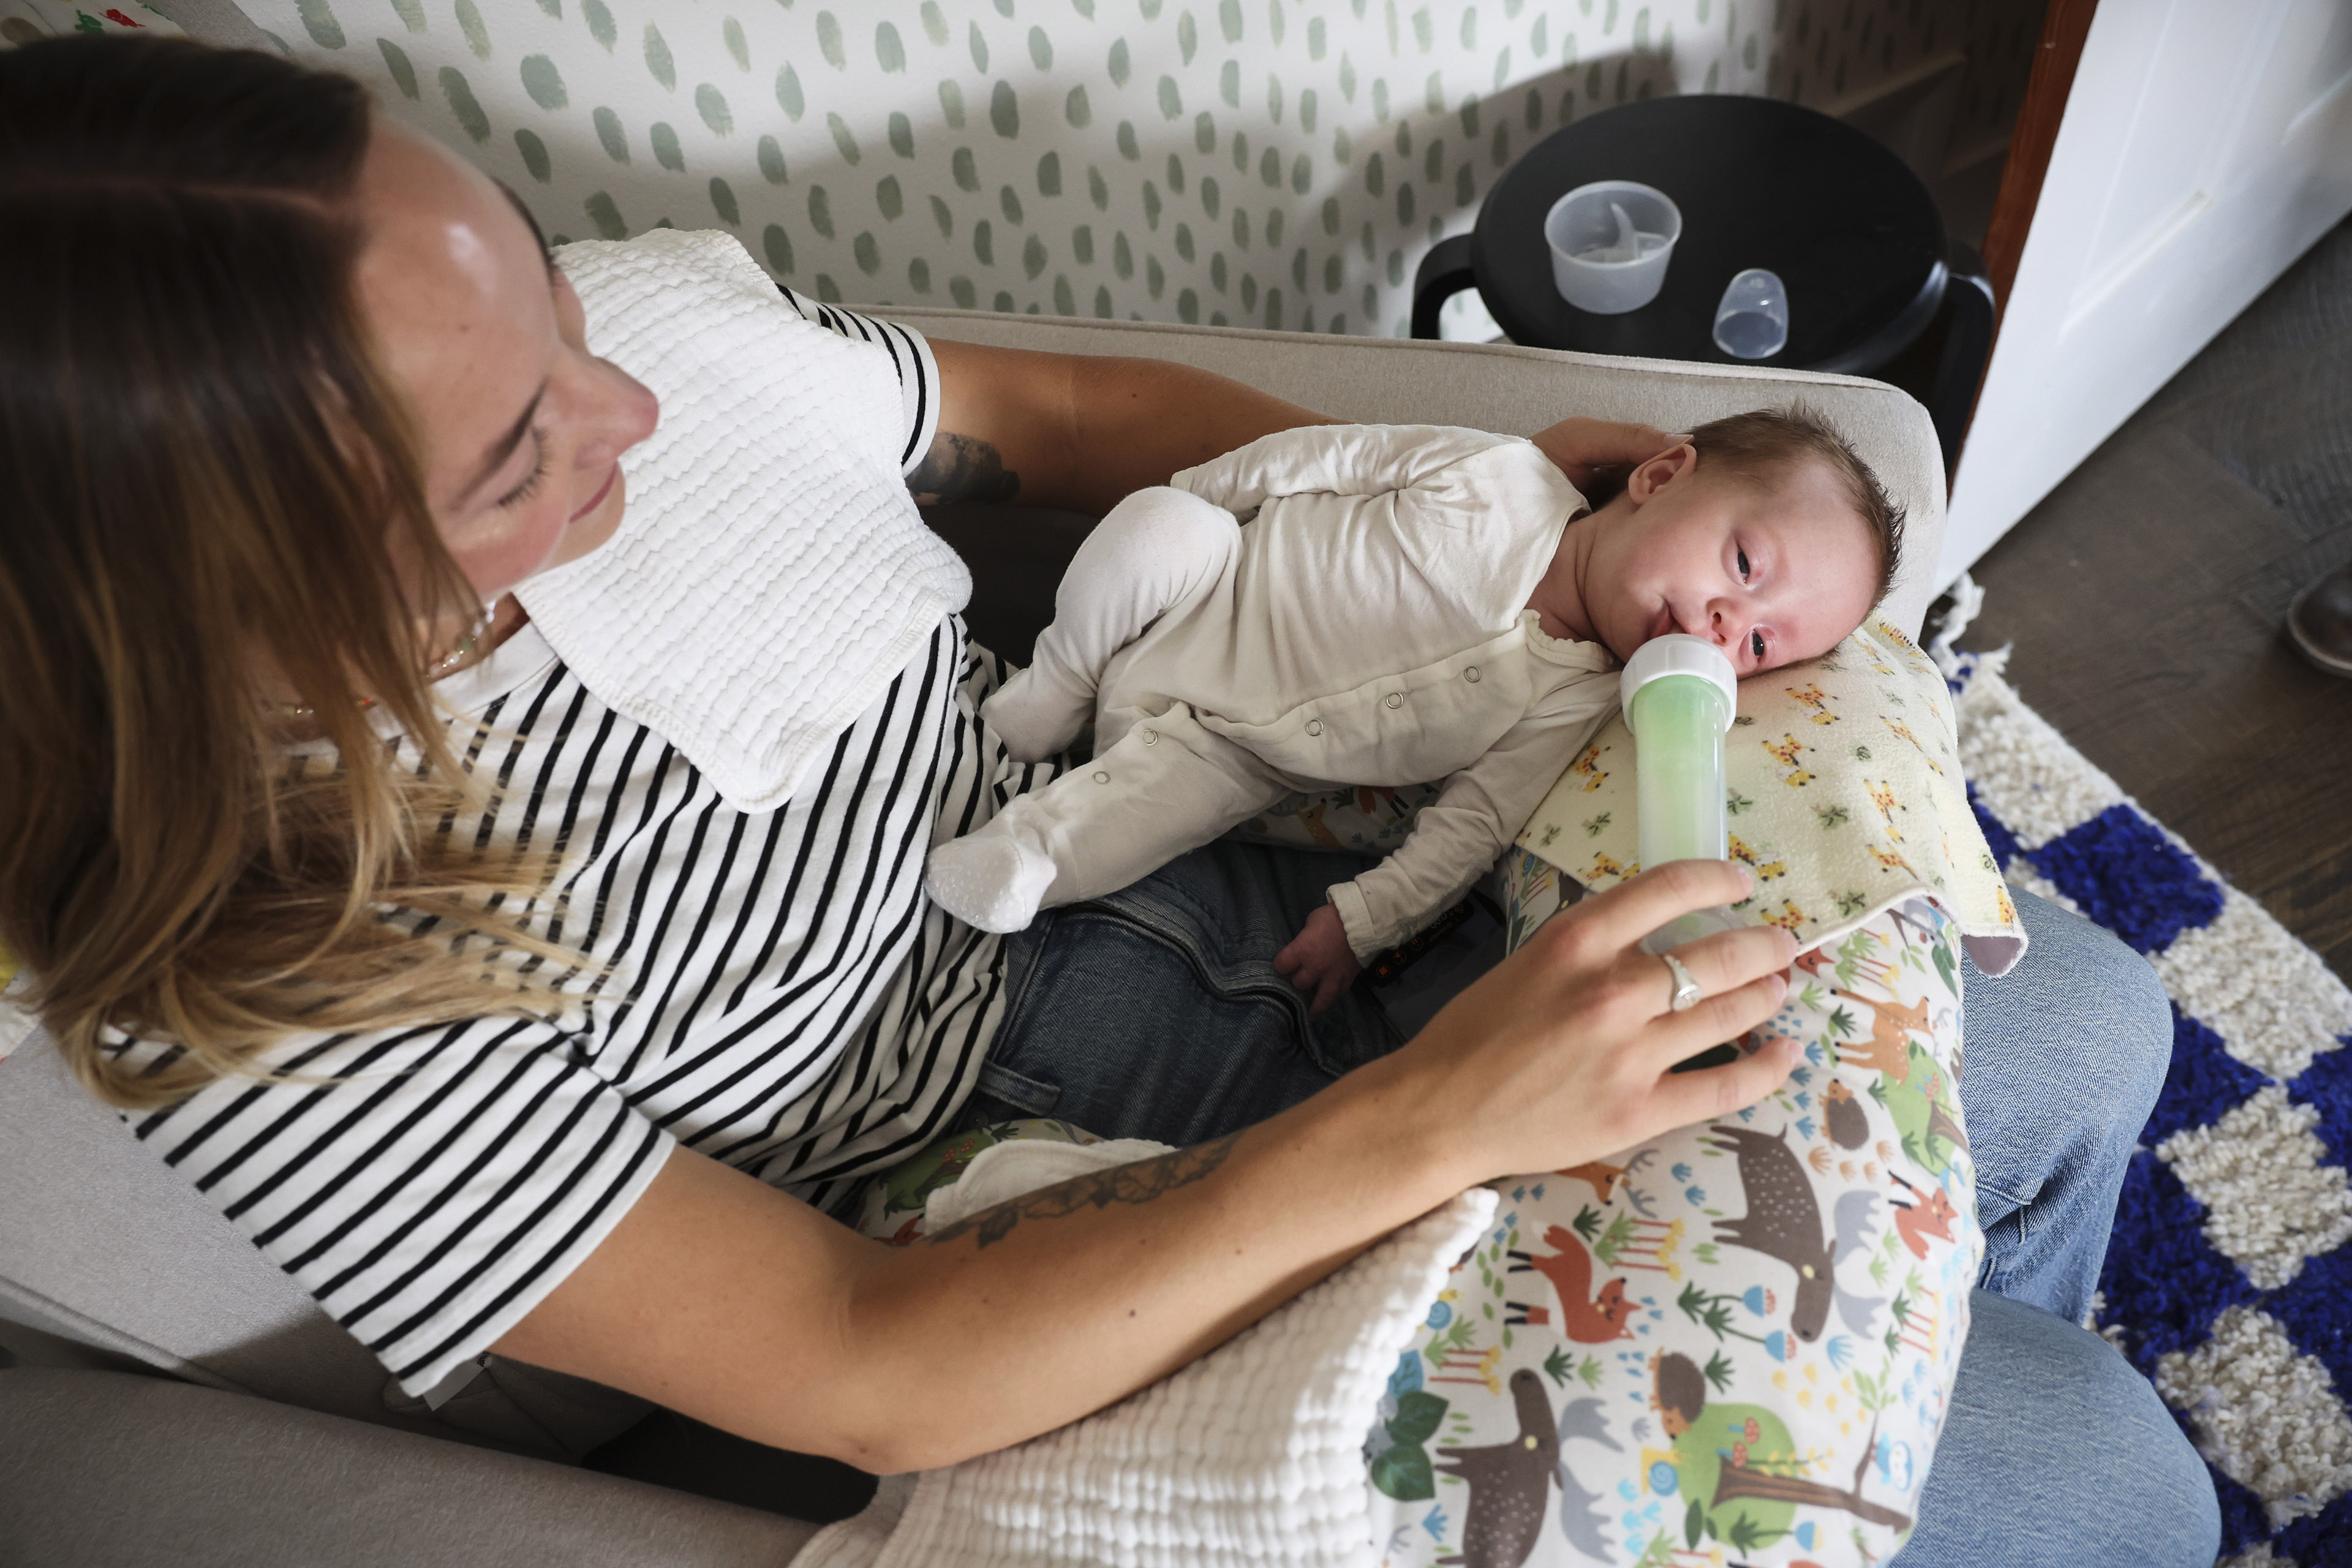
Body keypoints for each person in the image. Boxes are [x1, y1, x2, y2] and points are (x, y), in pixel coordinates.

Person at [0, 36, 2215, 1566]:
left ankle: (1950, 1329)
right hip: (1014, 1198)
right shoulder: (258, 968)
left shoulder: (659, 365)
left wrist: (1428, 525)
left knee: (2088, 1033)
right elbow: (852, 1363)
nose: (638, 398)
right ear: (237, 595)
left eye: (556, 298)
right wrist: (1435, 1116)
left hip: (1191, 826)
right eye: (515, 451)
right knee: (2095, 1473)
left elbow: (1055, 396)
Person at [926, 410, 1895, 1012]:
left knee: (1148, 813)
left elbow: (1477, 819)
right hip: (1207, 585)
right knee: (1157, 529)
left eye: (1762, 646)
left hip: (1234, 750)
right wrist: (1208, 495)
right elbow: (1335, 456)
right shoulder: (1506, 476)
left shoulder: (1580, 699)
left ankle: (1029, 858)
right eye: (1744, 566)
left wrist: (1366, 921)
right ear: (1658, 477)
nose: (1731, 625)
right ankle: (1050, 688)